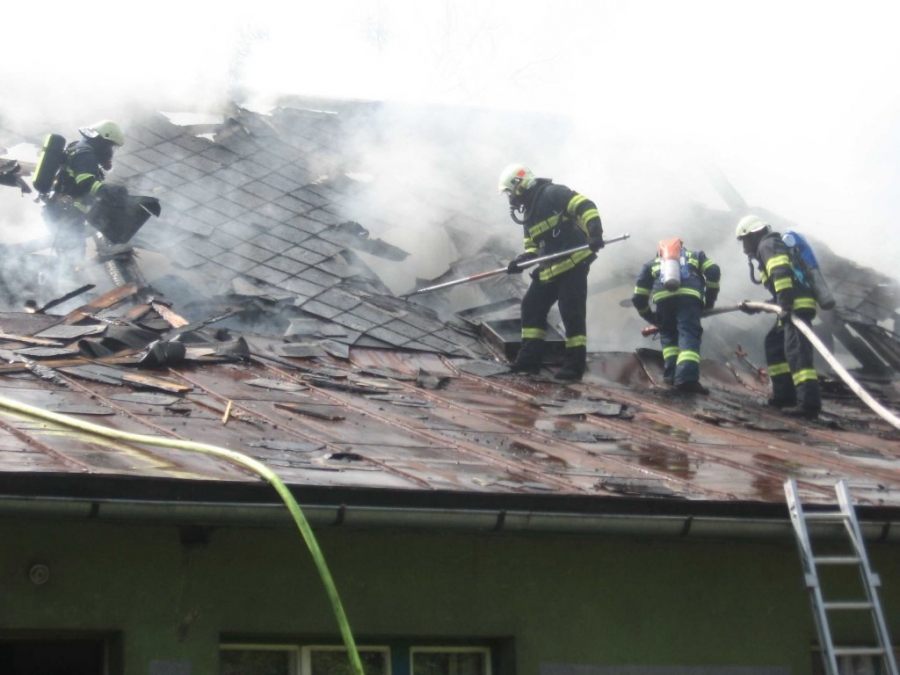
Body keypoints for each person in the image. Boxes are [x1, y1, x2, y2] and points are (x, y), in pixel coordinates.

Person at [498, 164, 604, 382]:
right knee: (531, 306)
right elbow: (532, 246)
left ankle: (573, 368)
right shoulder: (528, 213)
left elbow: (586, 206)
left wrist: (595, 233)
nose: (511, 198)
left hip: (574, 263)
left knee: (571, 312)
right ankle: (528, 362)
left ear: (519, 185)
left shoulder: (552, 193)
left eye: (510, 192)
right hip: (550, 268)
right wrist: (522, 261)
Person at [735, 214, 822, 419]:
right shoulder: (769, 246)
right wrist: (757, 307)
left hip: (796, 306)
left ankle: (808, 404)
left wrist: (784, 304)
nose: (744, 247)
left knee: (797, 353)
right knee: (774, 344)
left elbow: (781, 274)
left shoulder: (768, 245)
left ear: (753, 235)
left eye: (744, 241)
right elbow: (780, 289)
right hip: (790, 305)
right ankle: (785, 396)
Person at [632, 238, 721, 394]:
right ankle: (687, 380)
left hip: (663, 302)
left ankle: (671, 377)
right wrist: (710, 300)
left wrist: (652, 318)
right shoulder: (695, 256)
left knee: (669, 337)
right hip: (689, 300)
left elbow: (638, 297)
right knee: (688, 335)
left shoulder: (651, 264)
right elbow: (713, 270)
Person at [39, 120, 126, 278]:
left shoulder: (79, 150)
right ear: (102, 141)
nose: (110, 151)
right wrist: (106, 191)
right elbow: (85, 181)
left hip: (62, 209)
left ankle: (66, 283)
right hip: (65, 210)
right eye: (110, 146)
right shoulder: (85, 154)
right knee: (72, 251)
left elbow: (81, 188)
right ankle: (68, 286)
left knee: (69, 250)